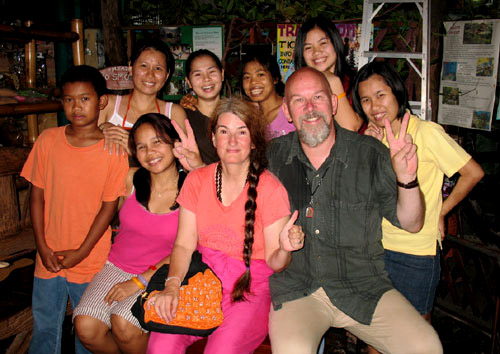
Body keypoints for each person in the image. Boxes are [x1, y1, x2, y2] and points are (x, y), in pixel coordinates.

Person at [266, 67, 442, 354]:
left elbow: (412, 223)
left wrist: (407, 178)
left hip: (364, 286)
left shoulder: (370, 153)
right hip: (299, 289)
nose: (310, 108)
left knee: (426, 347)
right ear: (287, 110)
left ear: (334, 103)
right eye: (299, 100)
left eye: (318, 97)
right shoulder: (272, 156)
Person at [146, 97, 305, 354]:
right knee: (160, 346)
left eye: (242, 132)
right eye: (224, 131)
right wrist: (172, 285)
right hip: (201, 281)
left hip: (248, 290)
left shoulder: (270, 188)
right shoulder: (197, 180)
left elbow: (277, 263)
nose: (232, 141)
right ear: (213, 139)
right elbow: (184, 245)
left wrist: (285, 248)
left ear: (253, 141)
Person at [351, 61, 483, 328]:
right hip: (376, 249)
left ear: (397, 93)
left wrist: (442, 212)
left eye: (380, 95)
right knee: (376, 327)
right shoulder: (373, 138)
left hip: (416, 252)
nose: (374, 106)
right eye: (365, 99)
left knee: (414, 329)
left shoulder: (426, 133)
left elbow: (473, 173)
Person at [20, 65, 129, 354]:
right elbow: (36, 197)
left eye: (84, 99)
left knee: (87, 330)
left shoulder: (112, 150)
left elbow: (109, 209)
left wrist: (81, 251)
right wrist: (41, 247)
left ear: (101, 102)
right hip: (49, 254)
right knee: (45, 325)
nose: (76, 107)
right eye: (68, 100)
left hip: (91, 257)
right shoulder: (48, 140)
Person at [73, 113, 186, 353]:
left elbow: (189, 248)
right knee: (85, 327)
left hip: (162, 273)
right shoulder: (130, 179)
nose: (150, 152)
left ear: (174, 143)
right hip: (117, 266)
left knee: (123, 324)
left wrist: (139, 280)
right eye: (142, 146)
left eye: (157, 142)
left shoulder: (191, 187)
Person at [99, 38, 187, 154]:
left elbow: (183, 160)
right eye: (144, 66)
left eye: (158, 68)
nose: (150, 74)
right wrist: (99, 132)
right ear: (131, 68)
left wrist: (133, 147)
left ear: (166, 75)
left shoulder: (174, 113)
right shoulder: (108, 104)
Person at [294, 16, 363, 132]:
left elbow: (350, 129)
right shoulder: (299, 90)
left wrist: (333, 82)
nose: (317, 52)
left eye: (323, 43)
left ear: (336, 43)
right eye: (308, 47)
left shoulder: (359, 82)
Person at [241, 51, 295, 139]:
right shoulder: (248, 116)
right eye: (247, 77)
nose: (253, 82)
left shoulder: (291, 108)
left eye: (260, 75)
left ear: (275, 79)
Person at [183, 49, 224, 164]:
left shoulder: (237, 112)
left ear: (222, 74)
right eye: (198, 74)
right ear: (189, 82)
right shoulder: (182, 116)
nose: (206, 79)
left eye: (212, 72)